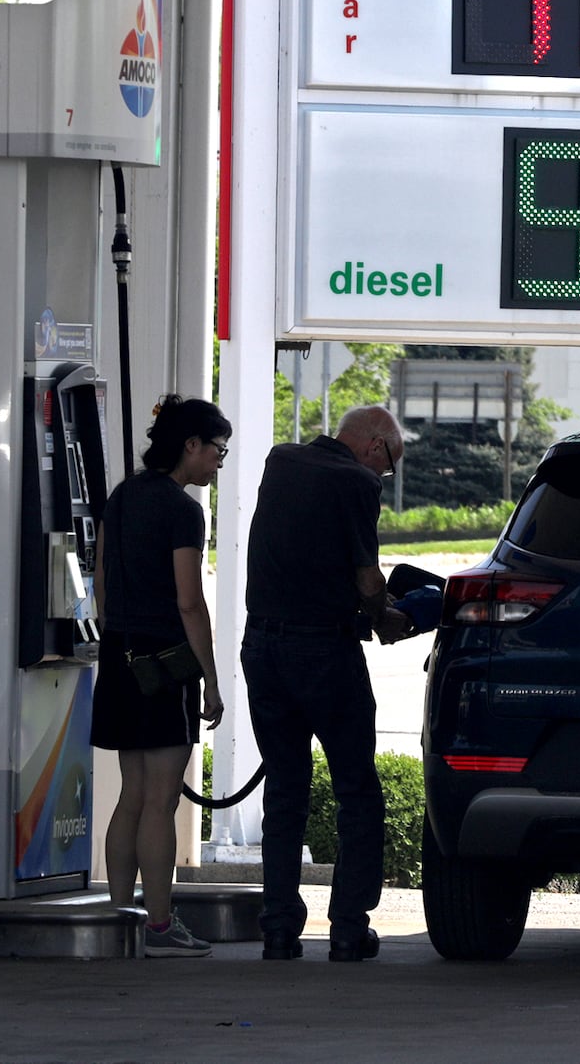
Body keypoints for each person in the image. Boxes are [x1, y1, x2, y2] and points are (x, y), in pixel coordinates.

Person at [242, 403, 411, 963]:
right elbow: (366, 576)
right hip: (323, 649)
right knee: (357, 789)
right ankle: (347, 929)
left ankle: (279, 928)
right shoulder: (358, 483)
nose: (383, 475)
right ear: (375, 445)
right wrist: (385, 614)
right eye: (388, 465)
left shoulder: (280, 461)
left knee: (285, 788)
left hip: (262, 645)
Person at [91, 394, 231, 958]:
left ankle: (120, 921)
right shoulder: (182, 510)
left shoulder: (122, 496)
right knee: (161, 801)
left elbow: (100, 579)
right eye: (217, 450)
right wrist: (211, 679)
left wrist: (117, 634)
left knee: (133, 794)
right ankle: (159, 925)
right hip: (164, 662)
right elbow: (190, 603)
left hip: (120, 655)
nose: (219, 462)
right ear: (190, 445)